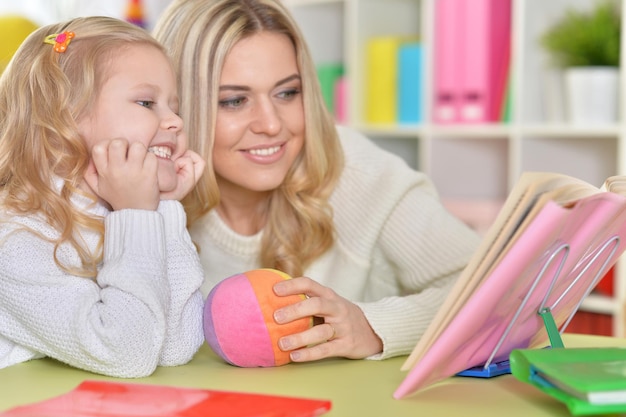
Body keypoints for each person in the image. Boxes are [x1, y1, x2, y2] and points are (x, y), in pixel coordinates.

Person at [153, 0, 481, 363]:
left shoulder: (355, 169)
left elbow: (495, 288)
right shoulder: (143, 198)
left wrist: (373, 326)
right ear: (177, 108)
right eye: (234, 101)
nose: (272, 124)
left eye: (287, 93)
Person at [0, 16, 206, 377]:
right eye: (147, 102)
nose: (175, 121)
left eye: (175, 107)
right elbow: (126, 355)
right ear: (61, 121)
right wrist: (138, 213)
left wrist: (163, 209)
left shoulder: (121, 212)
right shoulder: (15, 241)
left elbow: (176, 346)